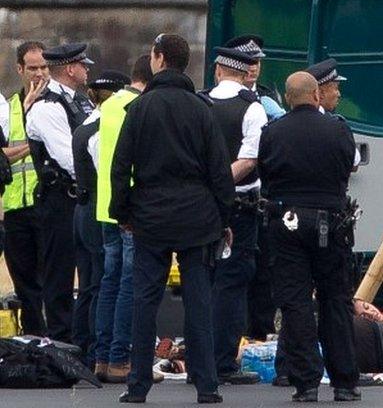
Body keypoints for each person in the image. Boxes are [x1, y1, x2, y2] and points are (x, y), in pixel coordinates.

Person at [110, 33, 234, 404]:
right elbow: (219, 170)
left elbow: (120, 168)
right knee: (199, 301)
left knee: (144, 300)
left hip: (150, 216)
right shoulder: (201, 110)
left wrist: (124, 212)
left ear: (159, 59)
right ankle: (207, 385)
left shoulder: (140, 109)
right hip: (198, 218)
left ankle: (137, 386)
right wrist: (222, 215)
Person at [257, 71, 361, 402]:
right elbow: (349, 166)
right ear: (317, 94)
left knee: (296, 301)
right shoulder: (338, 128)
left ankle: (306, 382)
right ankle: (344, 382)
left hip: (286, 222)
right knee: (336, 300)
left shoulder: (273, 132)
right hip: (331, 222)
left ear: (288, 98)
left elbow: (265, 173)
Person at [206, 47, 268, 385]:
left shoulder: (201, 102)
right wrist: (220, 184)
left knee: (203, 280)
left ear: (217, 71)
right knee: (233, 281)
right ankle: (223, 362)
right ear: (244, 73)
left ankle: (202, 359)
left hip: (201, 206)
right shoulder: (251, 107)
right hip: (239, 205)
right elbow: (248, 161)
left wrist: (205, 187)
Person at [26, 42, 96, 343]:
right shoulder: (47, 107)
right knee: (59, 273)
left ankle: (82, 339)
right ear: (70, 68)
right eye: (83, 65)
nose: (87, 69)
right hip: (59, 199)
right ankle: (60, 340)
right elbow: (69, 158)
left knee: (89, 270)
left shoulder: (81, 102)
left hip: (80, 197)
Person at [92, 55, 152, 384]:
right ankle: (120, 360)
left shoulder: (111, 104)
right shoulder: (138, 106)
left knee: (109, 282)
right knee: (130, 284)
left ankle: (101, 357)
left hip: (106, 207)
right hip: (130, 208)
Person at [224, 34, 283, 344]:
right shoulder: (222, 99)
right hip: (234, 194)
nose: (254, 68)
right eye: (248, 63)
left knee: (263, 269)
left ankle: (260, 329)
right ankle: (237, 333)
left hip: (264, 195)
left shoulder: (266, 99)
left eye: (258, 62)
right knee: (232, 272)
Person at [71, 69, 130, 365]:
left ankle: (84, 347)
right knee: (102, 283)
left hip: (83, 209)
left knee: (91, 284)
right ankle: (94, 349)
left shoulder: (86, 125)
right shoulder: (102, 130)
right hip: (99, 211)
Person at [2, 41, 49, 336]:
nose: (39, 74)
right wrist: (33, 145)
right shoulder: (9, 108)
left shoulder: (60, 104)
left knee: (52, 282)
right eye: (32, 68)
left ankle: (56, 340)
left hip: (47, 206)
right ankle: (35, 341)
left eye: (44, 67)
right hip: (16, 210)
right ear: (20, 69)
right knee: (26, 287)